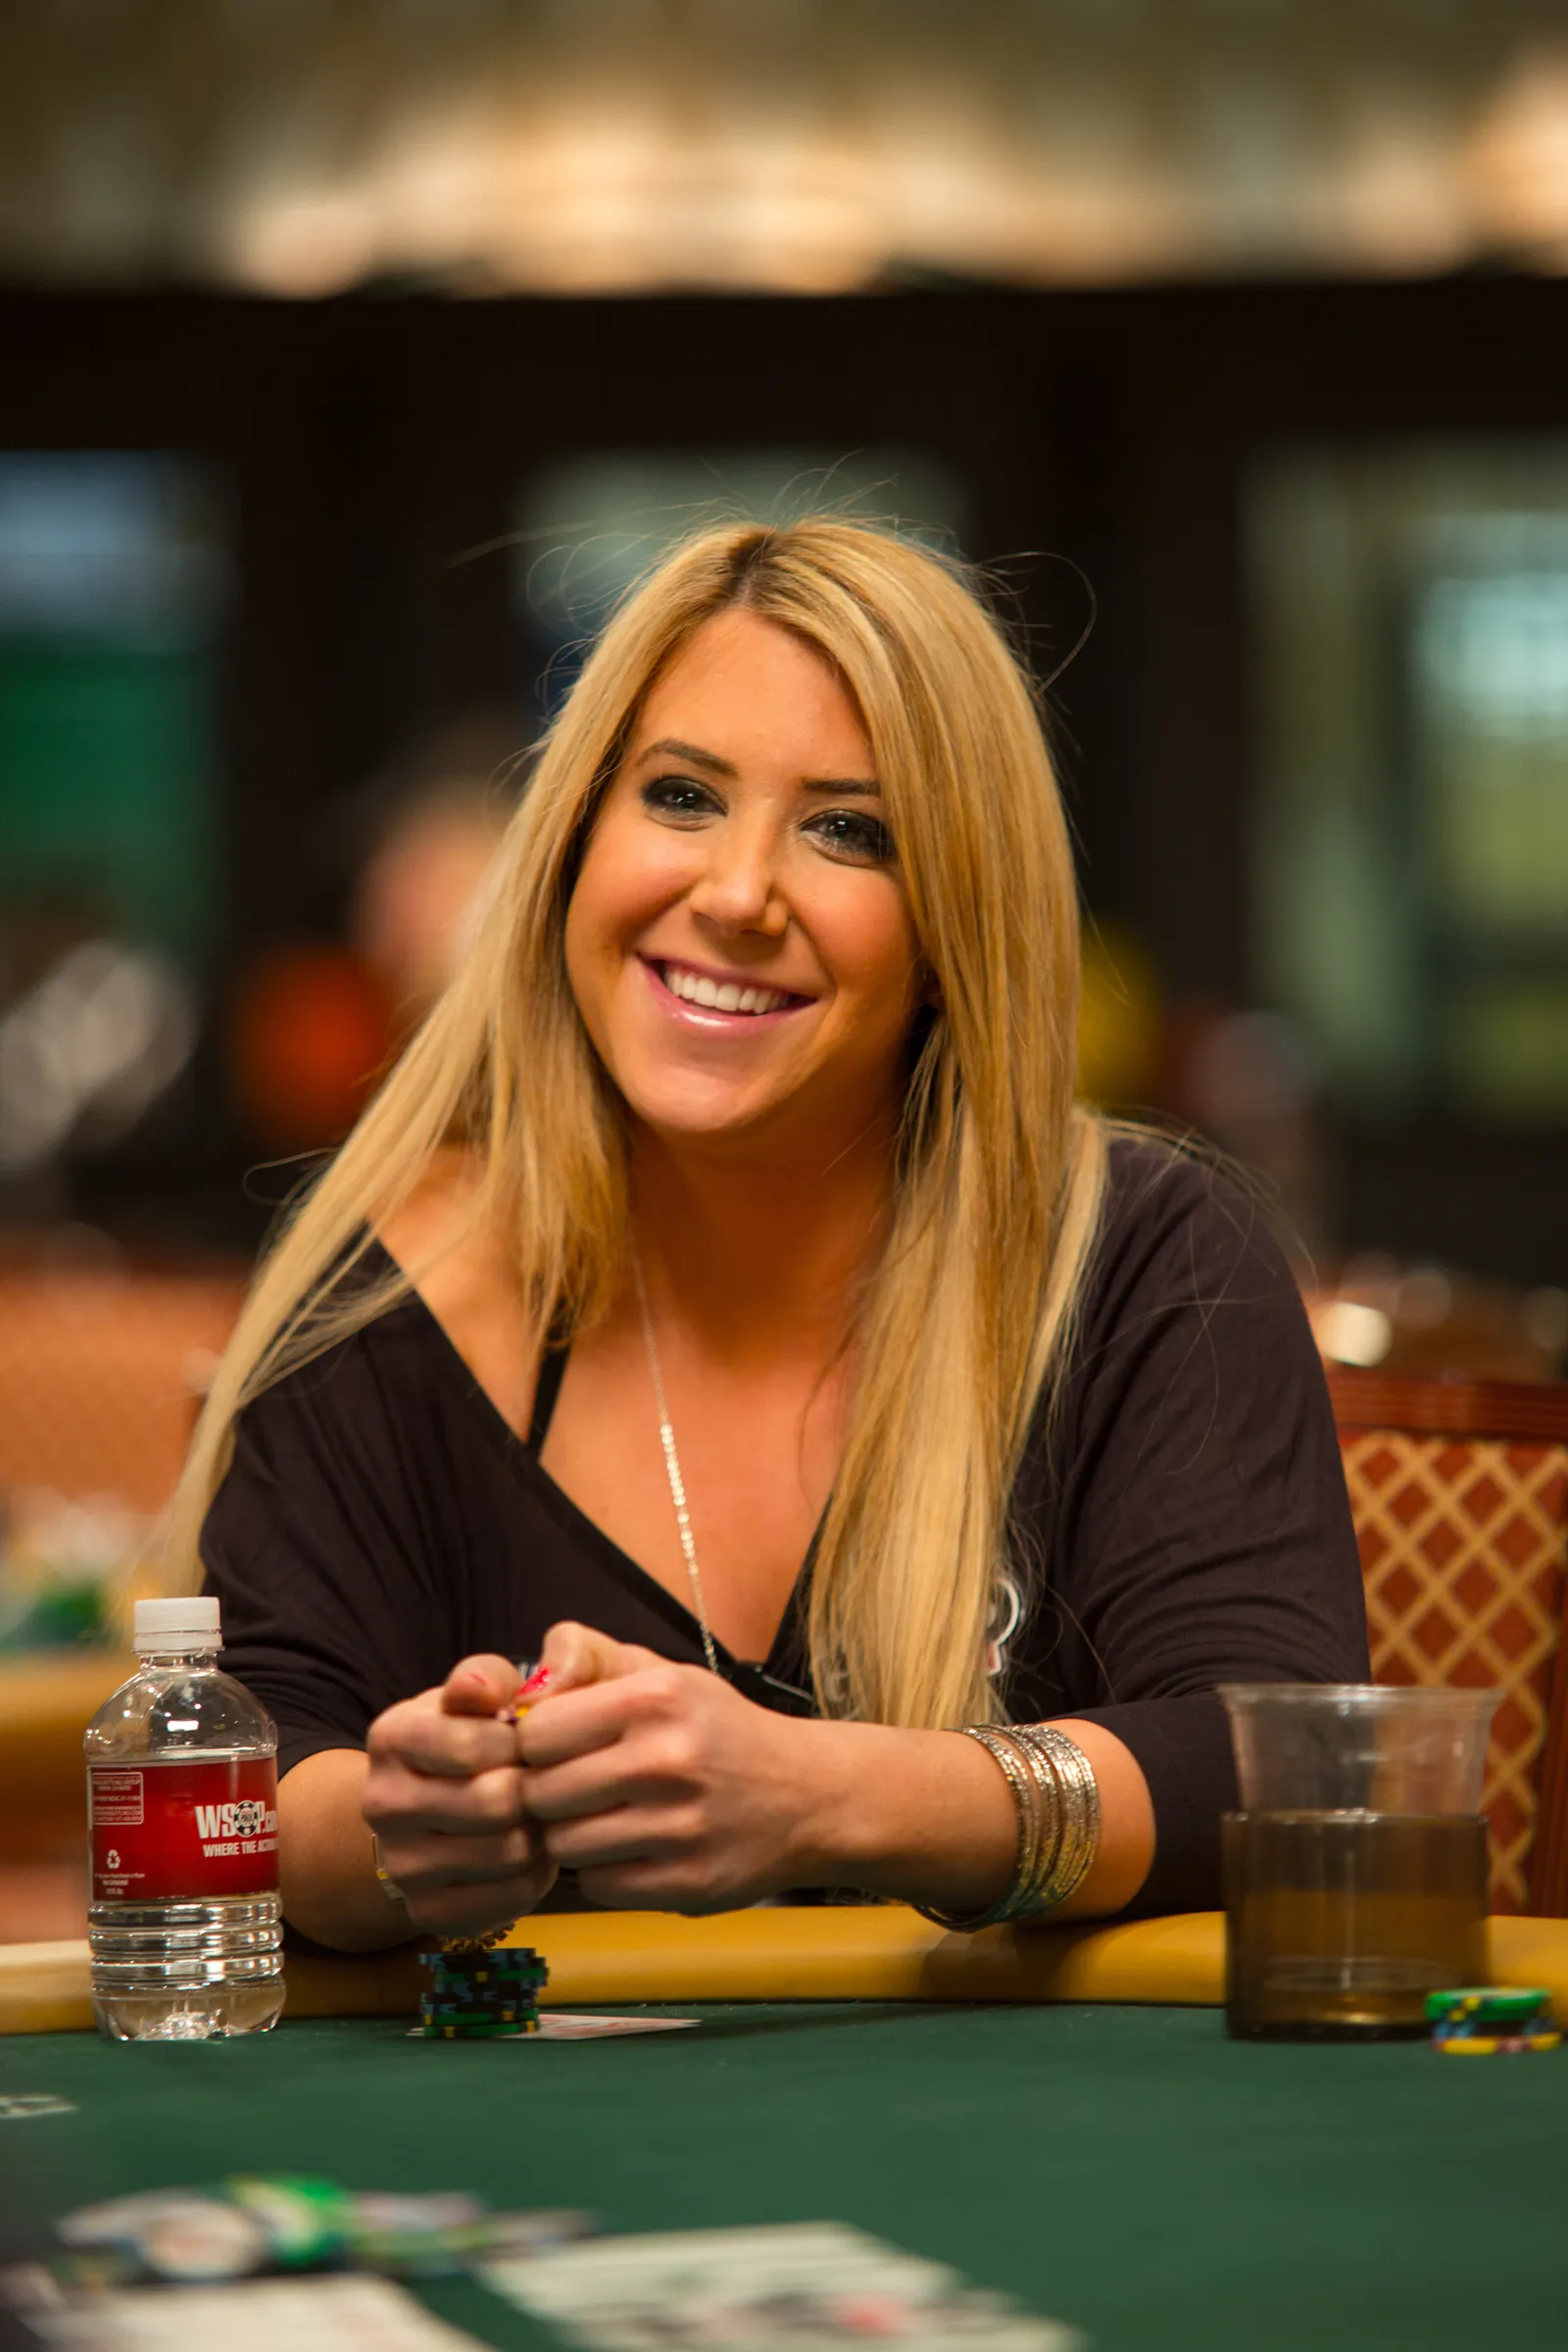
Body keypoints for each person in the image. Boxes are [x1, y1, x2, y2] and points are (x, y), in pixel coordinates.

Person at [169, 518, 1368, 1954]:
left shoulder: (1143, 1257)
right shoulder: (389, 1287)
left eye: (849, 830)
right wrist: (405, 1830)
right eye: (679, 796)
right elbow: (247, 1778)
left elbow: (1274, 1767)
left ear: (955, 927)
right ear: (572, 847)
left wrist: (820, 1796)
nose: (736, 895)